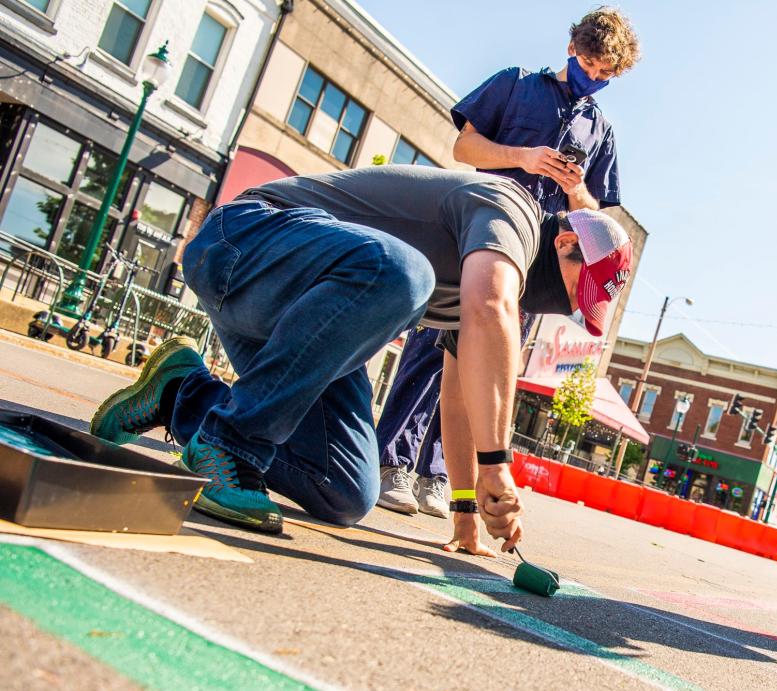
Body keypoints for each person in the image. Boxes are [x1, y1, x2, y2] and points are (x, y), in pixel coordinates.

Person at [90, 165, 632, 555]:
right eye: (573, 291)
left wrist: (467, 509)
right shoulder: (508, 210)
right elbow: (493, 307)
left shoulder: (483, 284)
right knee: (404, 273)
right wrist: (499, 465)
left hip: (297, 320)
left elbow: (463, 395)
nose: (562, 307)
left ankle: (182, 395)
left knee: (346, 490)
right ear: (564, 242)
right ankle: (227, 447)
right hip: (241, 243)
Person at [374, 7, 640, 521]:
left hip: (534, 264)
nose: (597, 78)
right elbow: (463, 145)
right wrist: (523, 156)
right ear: (572, 48)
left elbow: (595, 215)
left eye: (608, 75)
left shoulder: (601, 129)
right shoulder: (517, 84)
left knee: (489, 367)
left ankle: (440, 475)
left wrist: (574, 188)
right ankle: (392, 463)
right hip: (474, 234)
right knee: (432, 348)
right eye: (591, 64)